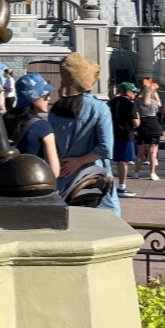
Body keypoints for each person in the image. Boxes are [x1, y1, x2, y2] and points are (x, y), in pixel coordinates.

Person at [49, 52, 118, 214]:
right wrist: (80, 160)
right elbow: (106, 148)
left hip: (63, 178)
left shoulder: (55, 111)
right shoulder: (99, 108)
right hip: (93, 178)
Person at [3, 73, 61, 179]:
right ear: (34, 97)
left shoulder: (6, 119)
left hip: (6, 181)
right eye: (45, 95)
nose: (49, 98)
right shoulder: (43, 127)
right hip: (31, 183)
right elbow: (54, 172)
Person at [108, 82, 140, 197]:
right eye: (133, 92)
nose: (135, 94)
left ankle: (108, 185)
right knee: (123, 161)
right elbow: (136, 123)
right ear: (127, 92)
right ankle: (121, 186)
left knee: (113, 160)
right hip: (126, 133)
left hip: (112, 133)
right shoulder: (129, 104)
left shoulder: (112, 102)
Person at [133, 82, 163, 180]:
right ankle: (152, 173)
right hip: (154, 125)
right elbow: (158, 109)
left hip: (143, 125)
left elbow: (135, 112)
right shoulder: (154, 102)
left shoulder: (137, 102)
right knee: (153, 152)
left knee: (140, 152)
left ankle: (136, 172)